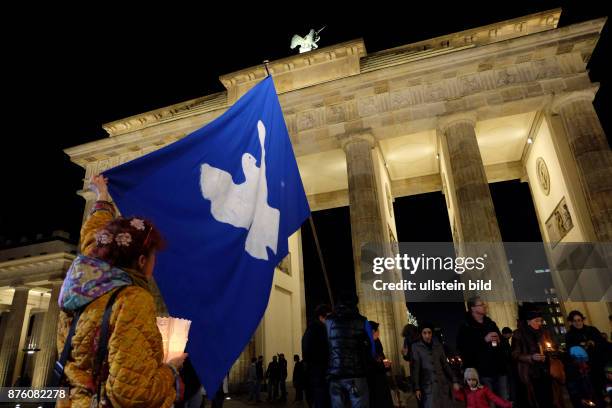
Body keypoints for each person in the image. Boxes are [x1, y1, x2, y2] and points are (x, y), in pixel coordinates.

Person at [56, 175, 186, 408]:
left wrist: (102, 198)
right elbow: (133, 394)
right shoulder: (132, 300)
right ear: (142, 260)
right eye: (153, 257)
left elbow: (91, 238)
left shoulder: (83, 284)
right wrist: (172, 372)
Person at [325, 291, 374, 408]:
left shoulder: (328, 322)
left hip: (334, 375)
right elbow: (372, 349)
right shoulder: (363, 321)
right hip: (356, 375)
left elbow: (325, 347)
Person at [457, 297, 511, 401]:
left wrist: (499, 341)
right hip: (482, 373)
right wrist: (484, 340)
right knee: (489, 403)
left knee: (504, 400)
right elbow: (464, 350)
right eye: (481, 304)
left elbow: (501, 344)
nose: (484, 306)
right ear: (473, 308)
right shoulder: (465, 327)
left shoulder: (491, 323)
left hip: (499, 370)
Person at [511, 306, 556, 407]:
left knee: (549, 399)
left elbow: (551, 346)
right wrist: (531, 357)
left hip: (545, 371)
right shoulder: (518, 334)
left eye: (540, 321)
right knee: (536, 400)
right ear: (528, 321)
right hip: (530, 373)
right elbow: (515, 354)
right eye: (536, 321)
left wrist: (549, 351)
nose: (539, 323)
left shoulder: (544, 332)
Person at [411, 322, 459, 408]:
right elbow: (416, 368)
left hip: (442, 384)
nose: (427, 335)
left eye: (429, 332)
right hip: (428, 386)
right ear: (421, 334)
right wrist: (417, 388)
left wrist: (454, 379)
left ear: (432, 333)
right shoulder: (416, 347)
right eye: (424, 333)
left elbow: (445, 364)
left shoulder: (438, 346)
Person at [565, 310, 607, 407]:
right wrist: (580, 346)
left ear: (582, 320)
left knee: (601, 390)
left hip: (597, 365)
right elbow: (570, 350)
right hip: (583, 369)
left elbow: (602, 343)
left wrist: (594, 343)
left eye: (579, 320)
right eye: (575, 321)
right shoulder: (569, 335)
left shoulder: (592, 330)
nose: (578, 322)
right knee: (589, 393)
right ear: (571, 322)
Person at [302, 303, 331, 408]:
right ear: (321, 317)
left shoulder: (312, 329)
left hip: (316, 372)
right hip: (319, 373)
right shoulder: (319, 329)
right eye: (328, 317)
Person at [367, 321, 393, 408]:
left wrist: (387, 365)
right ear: (373, 332)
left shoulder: (377, 342)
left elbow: (382, 356)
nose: (379, 332)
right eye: (378, 330)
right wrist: (382, 364)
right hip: (373, 380)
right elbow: (370, 363)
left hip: (382, 378)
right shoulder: (367, 345)